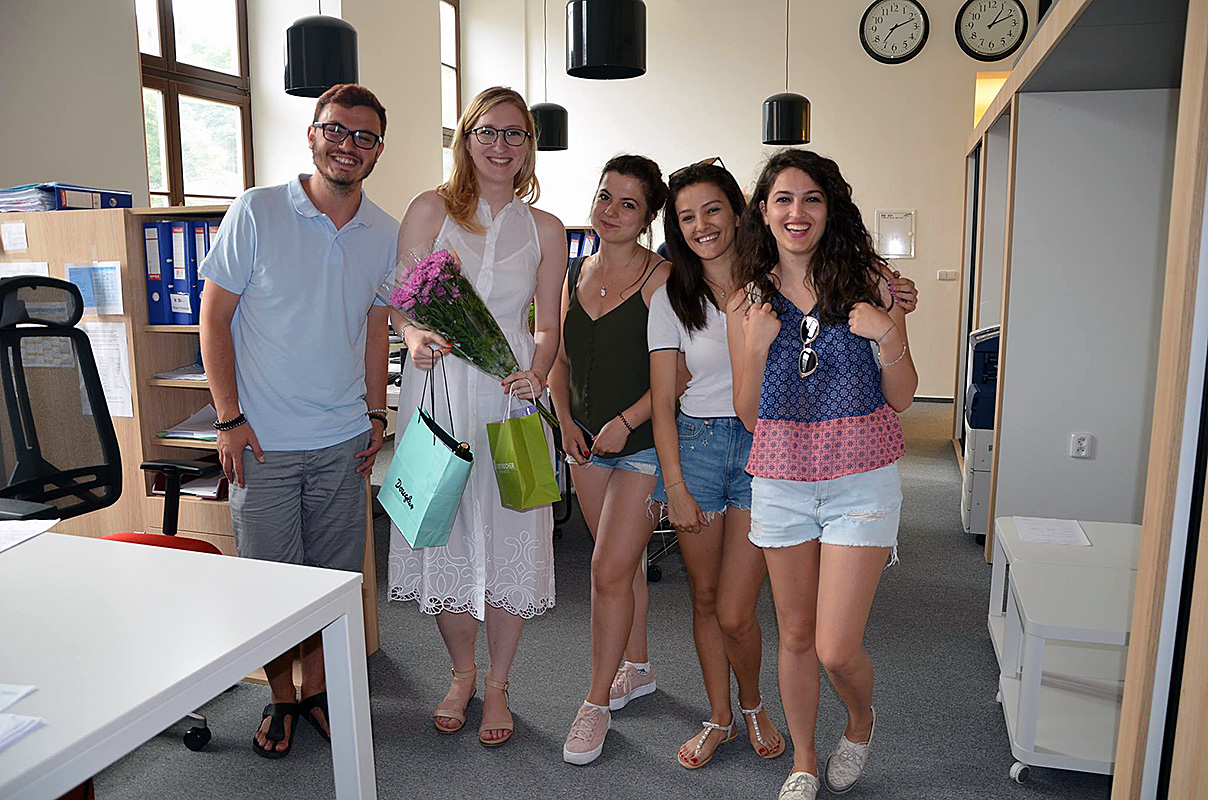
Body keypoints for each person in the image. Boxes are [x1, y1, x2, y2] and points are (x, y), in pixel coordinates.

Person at [199, 83, 396, 759]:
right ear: (312, 134)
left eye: (364, 136)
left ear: (377, 150)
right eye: (336, 130)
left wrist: (376, 412)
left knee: (333, 584)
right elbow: (214, 318)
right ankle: (281, 697)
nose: (348, 145)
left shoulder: (384, 232)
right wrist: (229, 419)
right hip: (265, 443)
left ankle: (318, 692)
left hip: (344, 441)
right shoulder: (257, 211)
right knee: (272, 586)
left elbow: (376, 330)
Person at [727, 149, 918, 800]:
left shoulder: (871, 282)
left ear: (830, 208)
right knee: (797, 633)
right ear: (763, 211)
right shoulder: (749, 298)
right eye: (783, 199)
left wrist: (887, 333)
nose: (797, 212)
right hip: (782, 480)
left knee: (836, 647)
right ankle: (804, 759)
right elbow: (748, 414)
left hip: (859, 479)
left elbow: (903, 395)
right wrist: (756, 348)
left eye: (811, 198)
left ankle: (860, 720)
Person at [386, 87, 567, 747]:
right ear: (465, 138)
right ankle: (462, 673)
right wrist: (412, 335)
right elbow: (401, 302)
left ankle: (499, 684)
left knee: (512, 532)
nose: (500, 145)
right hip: (440, 391)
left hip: (511, 398)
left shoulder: (546, 228)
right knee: (446, 531)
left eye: (515, 134)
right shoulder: (430, 209)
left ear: (529, 146)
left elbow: (547, 325)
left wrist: (538, 372)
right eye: (487, 132)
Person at [648, 159, 786, 770]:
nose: (701, 225)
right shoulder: (671, 298)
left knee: (736, 608)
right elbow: (661, 404)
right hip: (697, 449)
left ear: (737, 212)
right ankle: (720, 716)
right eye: (687, 217)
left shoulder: (775, 283)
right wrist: (673, 486)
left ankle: (753, 703)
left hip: (764, 450)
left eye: (712, 210)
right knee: (704, 598)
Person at [548, 154, 671, 765]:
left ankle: (595, 702)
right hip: (585, 446)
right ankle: (638, 667)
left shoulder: (663, 279)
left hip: (644, 446)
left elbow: (680, 372)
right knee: (621, 566)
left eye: (628, 204)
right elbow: (560, 359)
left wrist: (626, 422)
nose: (612, 211)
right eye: (605, 197)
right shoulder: (573, 271)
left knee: (604, 571)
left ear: (647, 217)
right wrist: (566, 422)